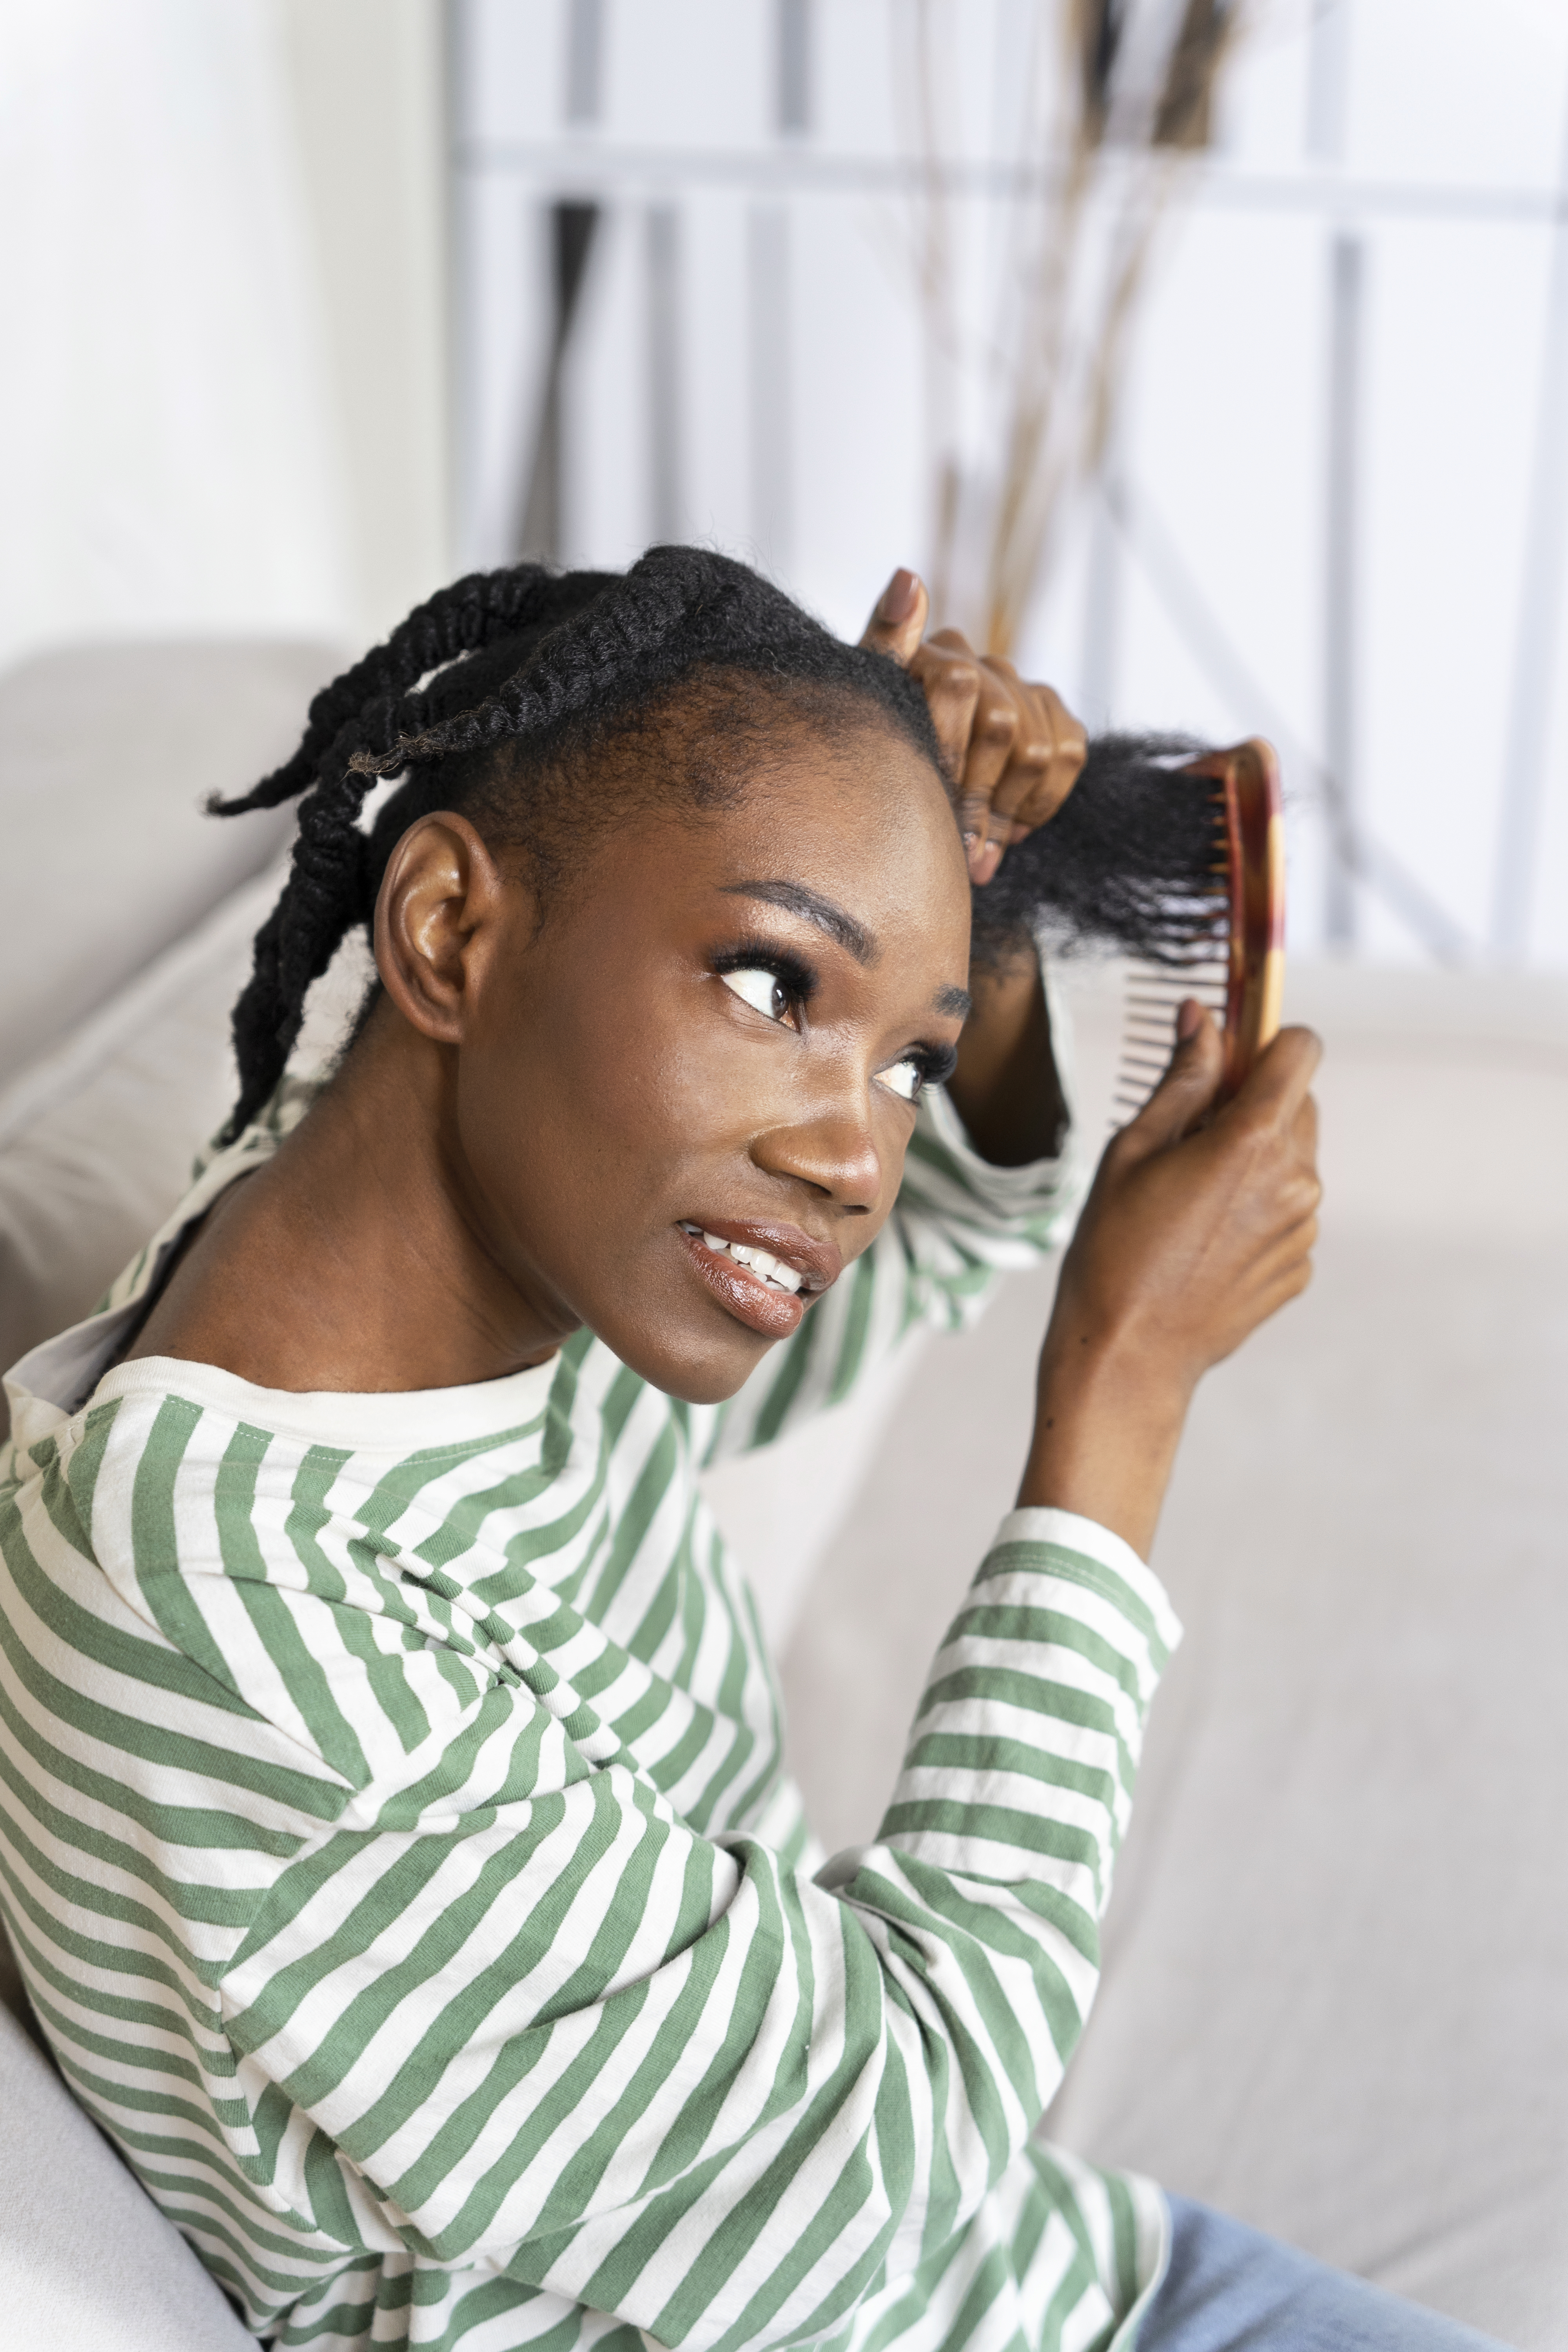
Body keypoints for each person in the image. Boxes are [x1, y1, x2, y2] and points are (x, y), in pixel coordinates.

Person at [0, 550, 1495, 2351]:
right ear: (449, 931)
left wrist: (953, 903)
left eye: (905, 1067)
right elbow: (896, 2161)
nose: (857, 1157)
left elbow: (938, 1234)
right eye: (776, 987)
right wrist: (1122, 1392)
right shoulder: (240, 1621)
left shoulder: (412, 1287)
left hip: (1076, 2277)